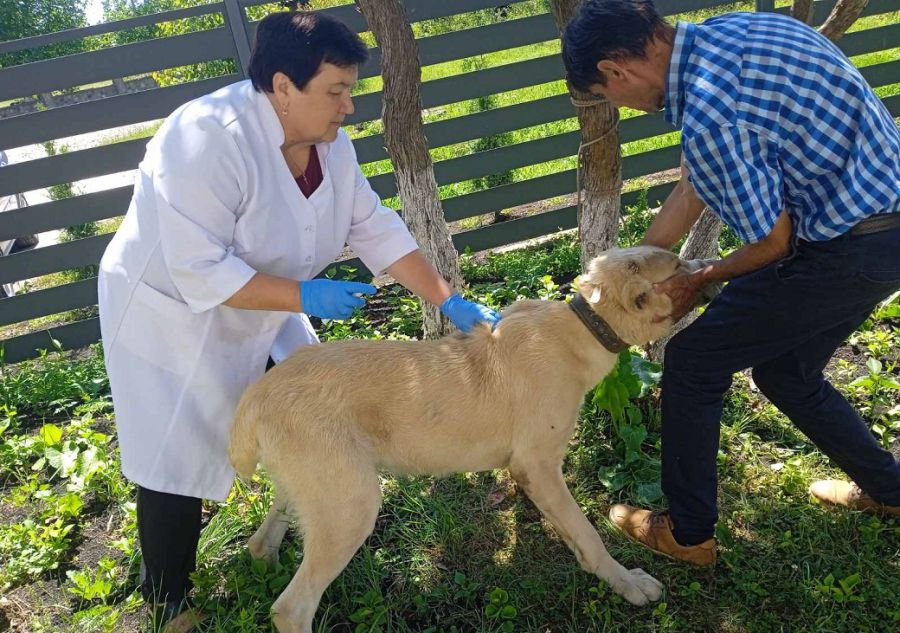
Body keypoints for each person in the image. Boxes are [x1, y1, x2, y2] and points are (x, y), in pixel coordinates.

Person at [98, 10, 499, 630]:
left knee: (311, 402)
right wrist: (303, 296)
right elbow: (197, 268)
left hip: (272, 300)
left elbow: (373, 225)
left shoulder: (329, 147)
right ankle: (166, 597)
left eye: (350, 91)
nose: (348, 108)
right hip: (171, 314)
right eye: (336, 92)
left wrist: (444, 298)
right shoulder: (204, 140)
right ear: (283, 87)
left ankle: (297, 523)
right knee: (173, 455)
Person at [562, 0, 900, 566]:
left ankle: (688, 534)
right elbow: (693, 186)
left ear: (615, 70)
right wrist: (627, 270)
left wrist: (701, 277)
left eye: (605, 96)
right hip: (886, 215)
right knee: (786, 372)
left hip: (847, 247)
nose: (617, 105)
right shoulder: (739, 31)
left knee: (695, 362)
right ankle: (890, 490)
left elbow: (772, 245)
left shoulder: (712, 116)